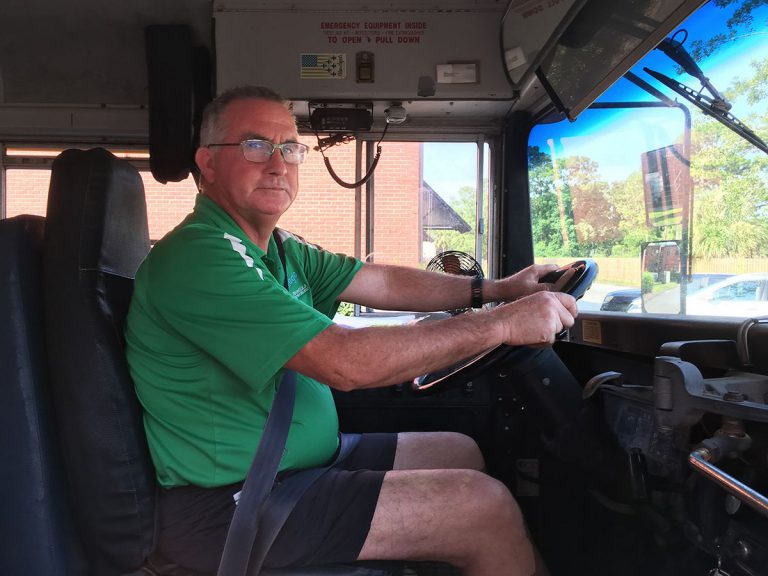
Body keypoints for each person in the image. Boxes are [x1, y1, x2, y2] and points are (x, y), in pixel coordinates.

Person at [125, 85, 578, 576]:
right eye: (255, 146)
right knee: (483, 508)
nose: (278, 165)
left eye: (290, 149)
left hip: (297, 469)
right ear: (208, 164)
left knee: (458, 449)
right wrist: (504, 323)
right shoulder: (199, 256)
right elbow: (345, 362)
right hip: (231, 506)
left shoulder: (279, 249)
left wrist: (495, 290)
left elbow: (378, 280)